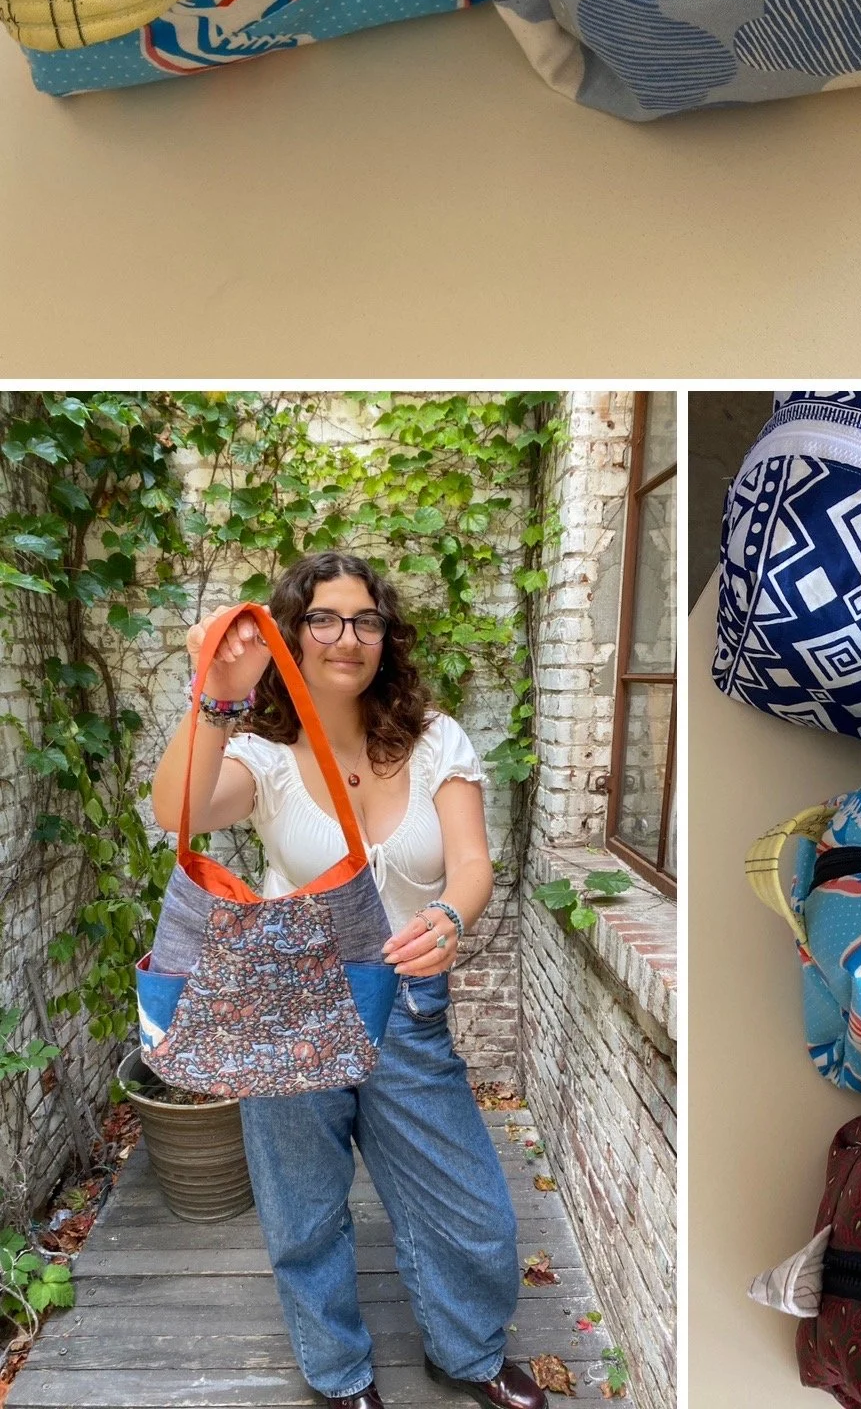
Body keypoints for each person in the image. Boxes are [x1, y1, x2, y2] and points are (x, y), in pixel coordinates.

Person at [148, 552, 542, 1409]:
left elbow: (472, 861)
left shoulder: (437, 739)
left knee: (470, 1207)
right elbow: (177, 812)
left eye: (364, 620)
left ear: (385, 635)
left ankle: (466, 1350)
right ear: (294, 631)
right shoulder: (262, 753)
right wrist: (217, 689)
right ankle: (336, 1372)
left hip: (405, 1001)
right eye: (323, 618)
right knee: (303, 1210)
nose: (346, 637)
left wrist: (452, 919)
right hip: (290, 1003)